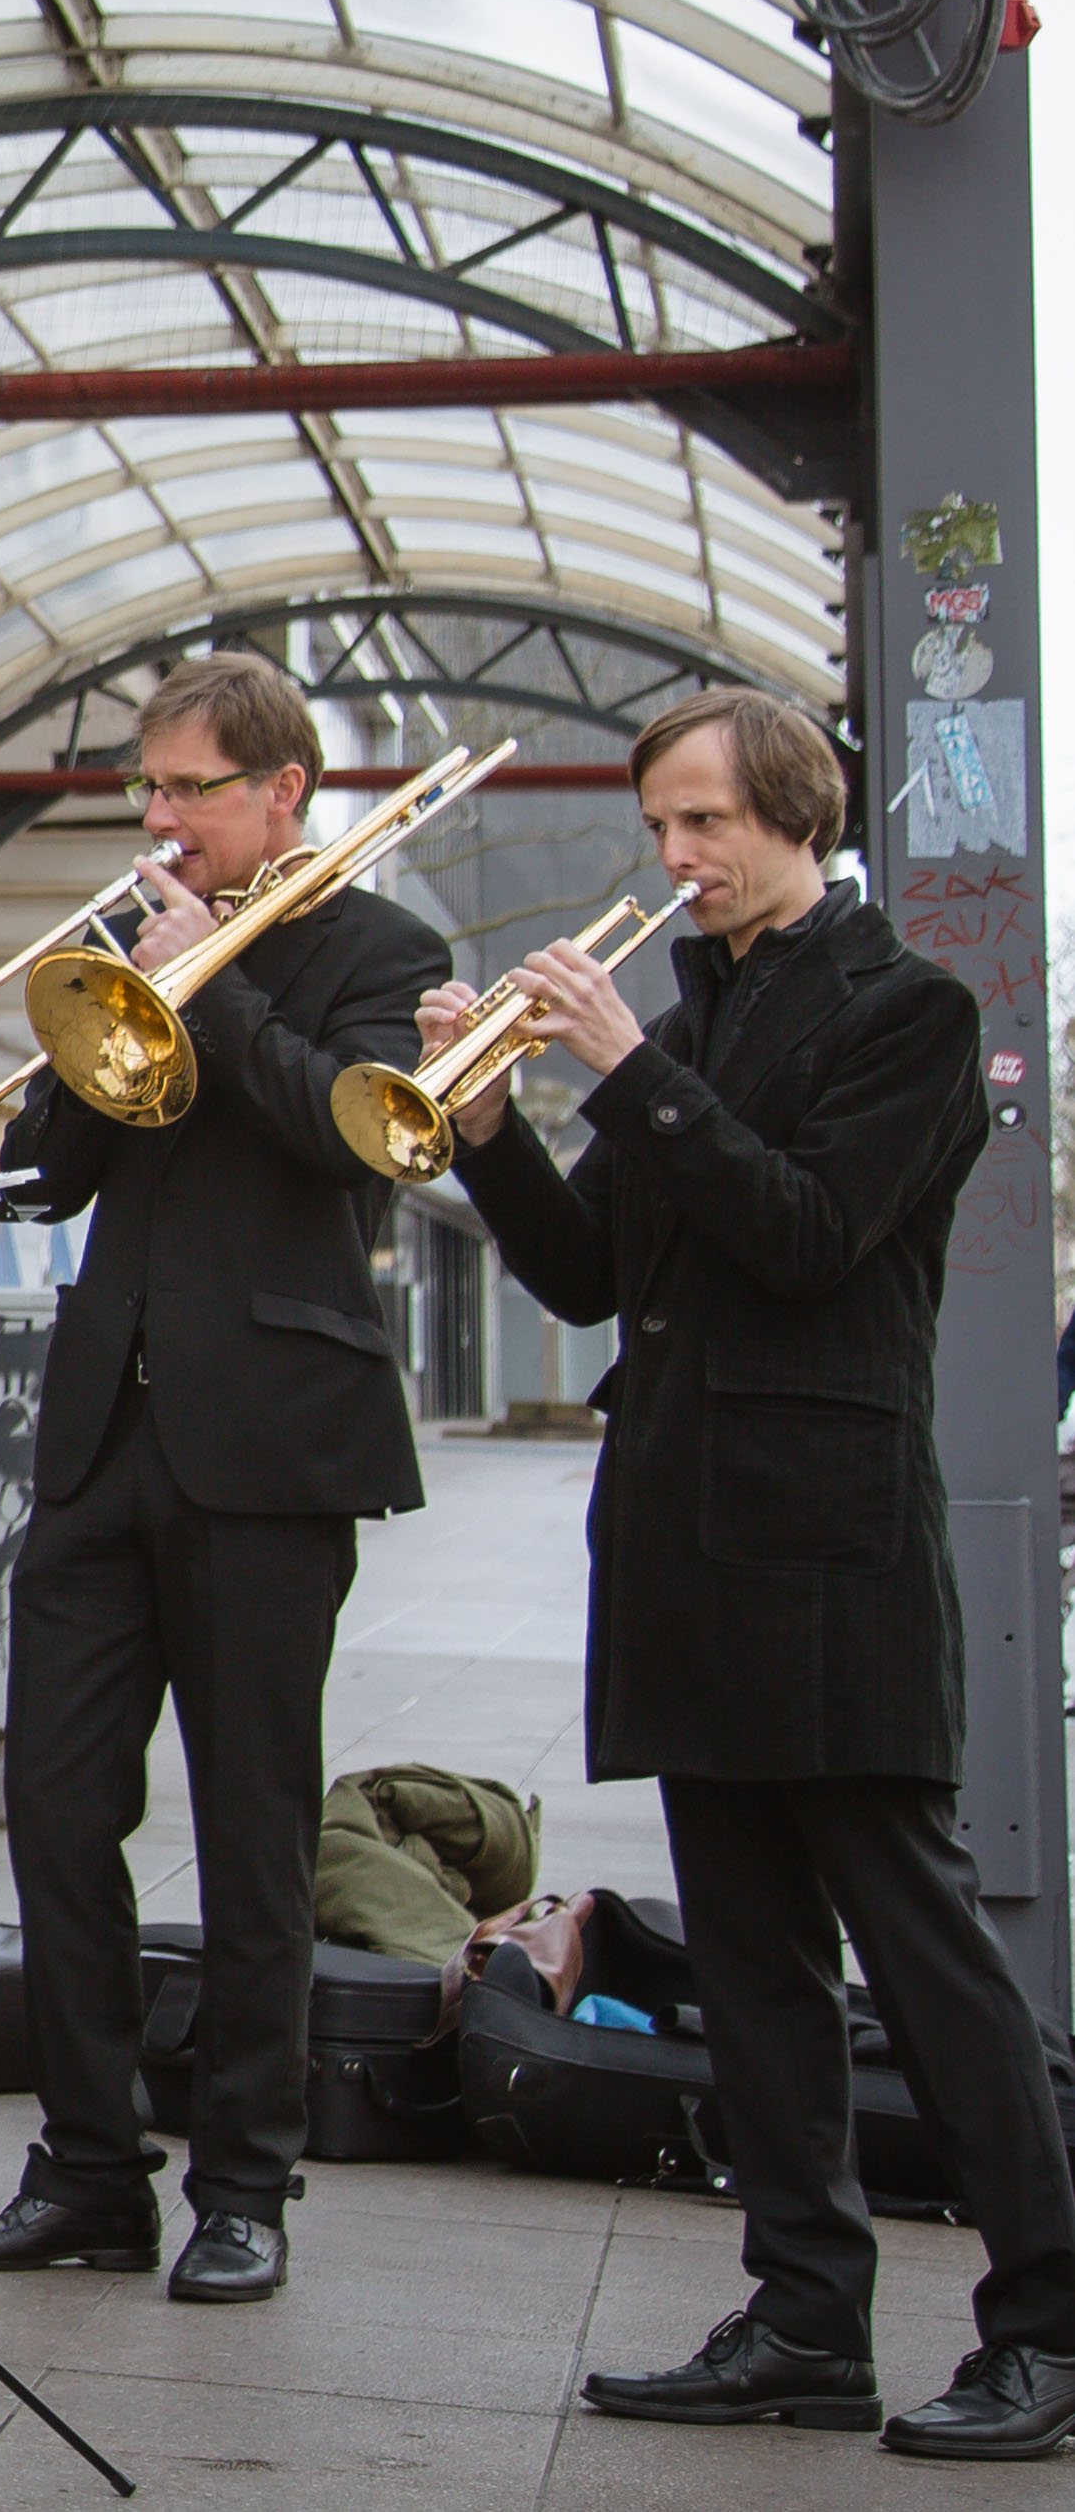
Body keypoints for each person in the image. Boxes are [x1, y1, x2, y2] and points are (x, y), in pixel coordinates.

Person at [430, 687, 1075, 2459]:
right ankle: (805, 2319)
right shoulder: (698, 1010)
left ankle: (1052, 2321)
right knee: (761, 1969)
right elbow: (583, 1278)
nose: (675, 859)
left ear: (801, 815)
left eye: (703, 822)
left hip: (833, 1546)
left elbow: (803, 1236)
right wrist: (487, 1126)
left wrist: (630, 1069)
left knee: (929, 1960)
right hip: (686, 1543)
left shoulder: (914, 1013)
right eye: (658, 828)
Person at [0, 649, 450, 2303]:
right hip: (99, 1435)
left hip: (272, 1438)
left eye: (190, 789)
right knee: (63, 1814)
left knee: (256, 1827)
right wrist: (77, 1012)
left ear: (282, 793)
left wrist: (203, 984)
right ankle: (88, 2169)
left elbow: (337, 1138)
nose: (159, 818)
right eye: (148, 790)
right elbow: (53, 1164)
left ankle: (244, 2185)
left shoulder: (385, 951)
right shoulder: (131, 939)